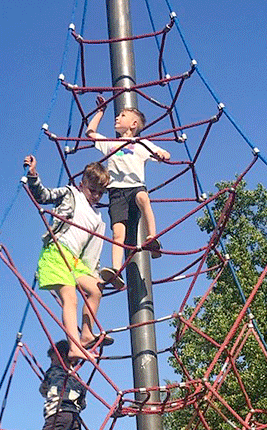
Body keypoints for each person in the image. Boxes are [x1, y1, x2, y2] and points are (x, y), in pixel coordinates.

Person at [23, 154, 111, 362]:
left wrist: (94, 270)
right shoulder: (71, 194)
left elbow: (92, 251)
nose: (96, 196)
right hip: (57, 252)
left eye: (101, 193)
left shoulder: (98, 219)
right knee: (70, 298)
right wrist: (34, 175)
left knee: (96, 287)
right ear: (82, 184)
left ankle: (87, 334)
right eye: (93, 190)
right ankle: (73, 346)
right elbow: (43, 196)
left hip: (75, 261)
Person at [86, 97, 171, 290]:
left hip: (135, 187)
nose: (117, 117)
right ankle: (116, 270)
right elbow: (90, 133)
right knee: (118, 233)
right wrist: (100, 111)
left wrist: (163, 155)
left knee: (143, 197)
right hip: (116, 192)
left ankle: (152, 238)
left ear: (133, 124)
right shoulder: (110, 143)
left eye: (122, 115)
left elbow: (163, 153)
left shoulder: (142, 144)